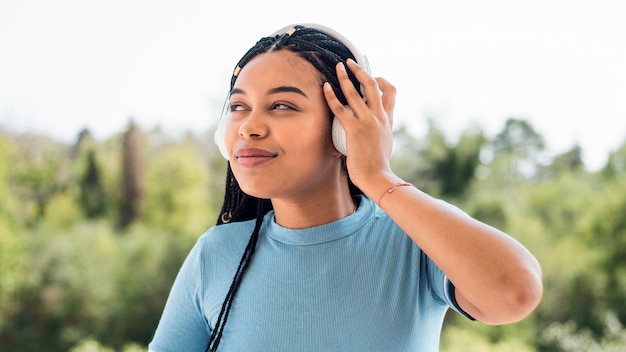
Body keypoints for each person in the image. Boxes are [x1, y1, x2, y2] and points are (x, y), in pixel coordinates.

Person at [148, 23, 543, 352]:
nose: (249, 126)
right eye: (238, 107)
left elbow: (516, 291)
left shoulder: (413, 242)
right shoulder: (215, 255)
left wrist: (377, 177)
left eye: (281, 105)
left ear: (344, 126)